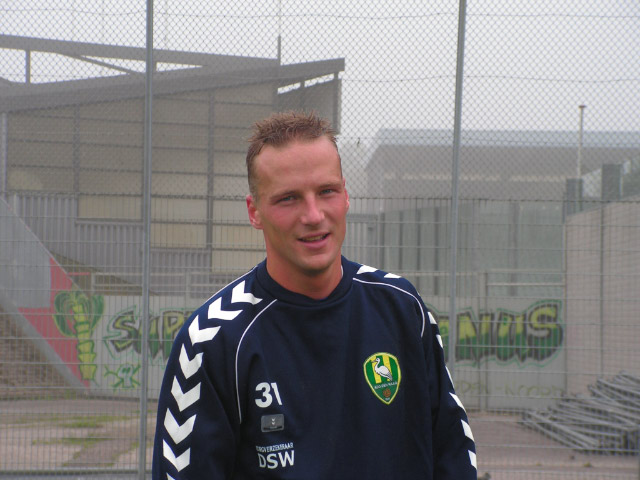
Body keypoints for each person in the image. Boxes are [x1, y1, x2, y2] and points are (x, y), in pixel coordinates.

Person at [152, 111, 477, 479]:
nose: (313, 214)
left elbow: (453, 453)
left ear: (346, 196)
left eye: (326, 192)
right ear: (254, 211)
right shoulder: (212, 342)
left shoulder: (403, 308)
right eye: (288, 198)